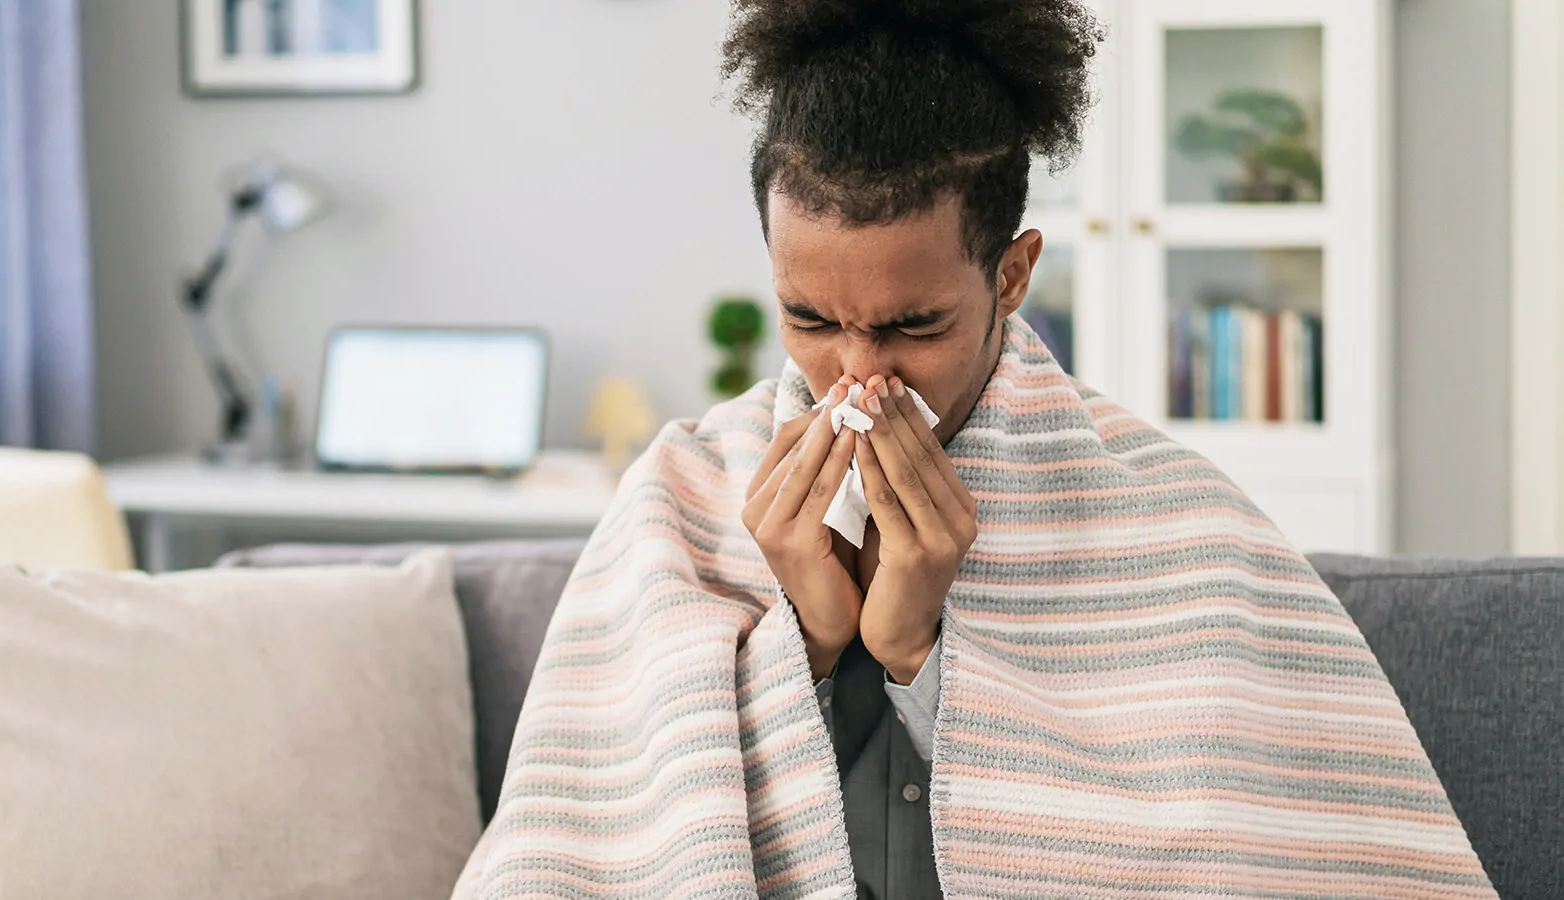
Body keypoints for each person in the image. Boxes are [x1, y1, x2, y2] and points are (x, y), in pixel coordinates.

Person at [454, 2, 1493, 898]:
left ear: (1011, 275)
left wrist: (920, 653)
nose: (858, 377)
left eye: (911, 326)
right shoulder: (676, 498)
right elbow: (601, 843)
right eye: (811, 319)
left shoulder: (1173, 517)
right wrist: (807, 642)